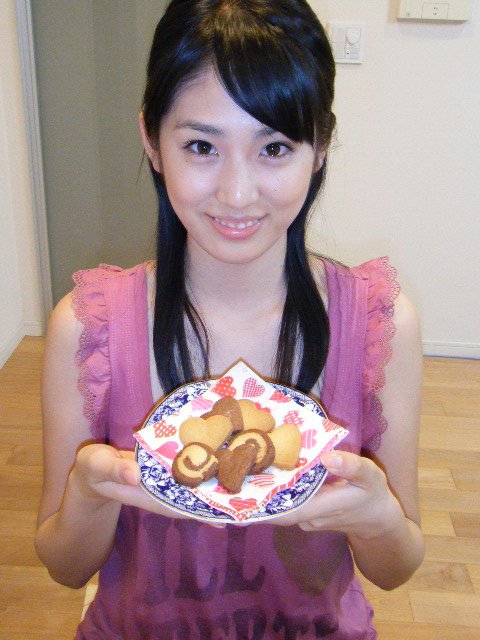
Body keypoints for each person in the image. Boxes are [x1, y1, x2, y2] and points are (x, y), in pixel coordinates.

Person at [35, 1, 425, 638]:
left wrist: (379, 515)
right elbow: (64, 566)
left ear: (320, 147)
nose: (237, 194)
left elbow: (396, 568)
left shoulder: (380, 327)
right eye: (201, 146)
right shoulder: (88, 328)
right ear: (151, 142)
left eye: (274, 147)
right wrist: (87, 490)